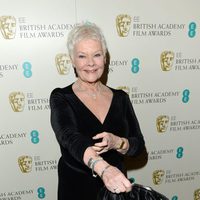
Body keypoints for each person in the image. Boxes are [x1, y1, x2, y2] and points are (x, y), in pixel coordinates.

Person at [50, 22, 145, 199]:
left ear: (105, 58)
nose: (91, 63)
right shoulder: (61, 97)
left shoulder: (121, 98)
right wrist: (104, 169)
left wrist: (118, 142)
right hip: (76, 188)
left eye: (97, 55)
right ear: (72, 60)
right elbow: (70, 138)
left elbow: (138, 145)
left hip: (115, 190)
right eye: (82, 56)